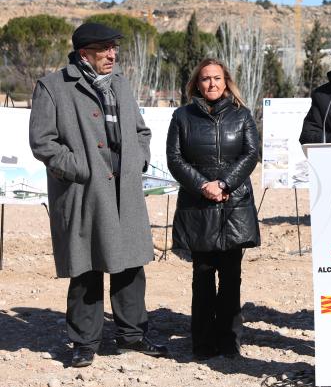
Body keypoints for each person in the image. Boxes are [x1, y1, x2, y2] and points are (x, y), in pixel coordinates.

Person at [29, 22, 168, 368]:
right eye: (105, 49)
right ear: (83, 54)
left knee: (131, 265)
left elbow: (141, 130)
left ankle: (133, 335)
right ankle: (84, 342)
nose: (112, 55)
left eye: (114, 48)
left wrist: (139, 159)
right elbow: (42, 142)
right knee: (86, 266)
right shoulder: (52, 87)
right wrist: (80, 169)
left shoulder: (120, 83)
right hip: (84, 191)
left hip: (125, 191)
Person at [166, 58, 260, 360]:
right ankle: (203, 344)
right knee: (203, 276)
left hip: (234, 206)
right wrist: (203, 185)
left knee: (232, 277)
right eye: (205, 79)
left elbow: (250, 154)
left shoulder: (242, 115)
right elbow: (175, 159)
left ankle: (230, 342)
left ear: (226, 81)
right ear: (197, 83)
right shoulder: (182, 116)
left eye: (217, 78)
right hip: (198, 206)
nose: (211, 84)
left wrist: (224, 184)